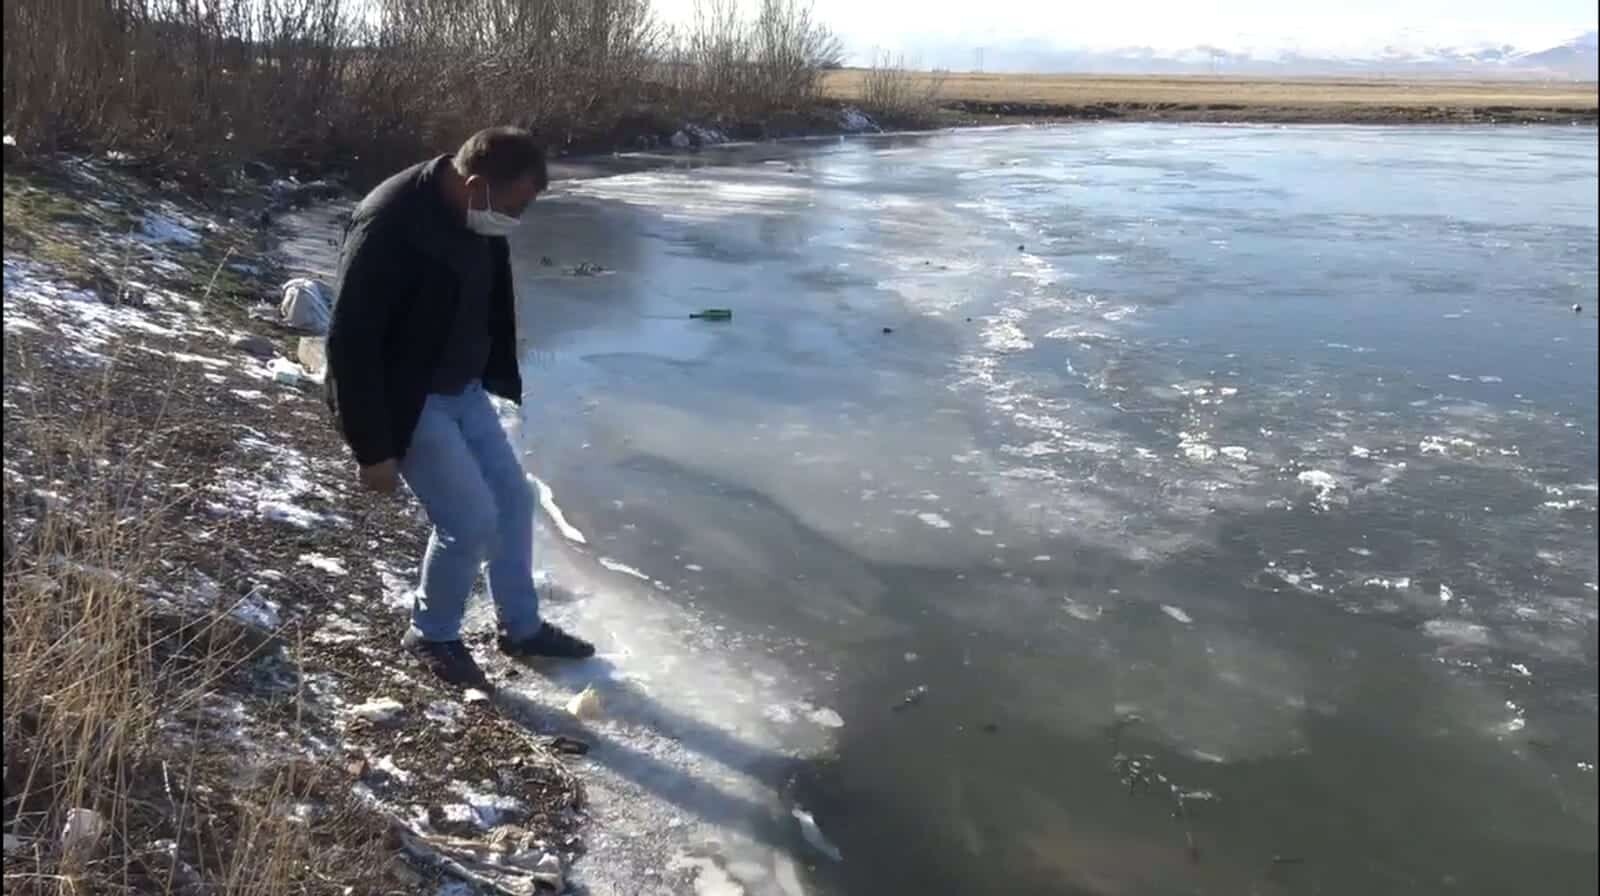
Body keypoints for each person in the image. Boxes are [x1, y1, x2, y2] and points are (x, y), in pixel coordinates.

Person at [326, 126, 594, 691]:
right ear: (475, 186)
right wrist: (372, 447)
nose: (515, 222)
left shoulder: (478, 211)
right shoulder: (390, 224)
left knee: (513, 501)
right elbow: (351, 339)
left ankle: (520, 628)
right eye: (514, 206)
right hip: (409, 396)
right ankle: (432, 634)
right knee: (468, 521)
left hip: (463, 389)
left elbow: (486, 298)